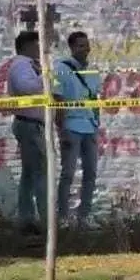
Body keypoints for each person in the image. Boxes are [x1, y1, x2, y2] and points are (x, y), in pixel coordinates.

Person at [52, 31, 101, 229]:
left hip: (89, 127)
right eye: (81, 45)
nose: (85, 49)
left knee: (90, 173)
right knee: (68, 174)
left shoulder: (92, 71)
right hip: (71, 126)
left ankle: (84, 216)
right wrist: (61, 129)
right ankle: (63, 217)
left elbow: (94, 98)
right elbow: (58, 100)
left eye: (87, 45)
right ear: (72, 48)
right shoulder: (61, 69)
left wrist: (97, 121)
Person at [7, 31, 47, 236]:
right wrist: (44, 79)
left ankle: (26, 218)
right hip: (30, 124)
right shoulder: (23, 64)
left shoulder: (27, 65)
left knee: (30, 175)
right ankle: (45, 219)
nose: (40, 49)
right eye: (36, 45)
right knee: (40, 173)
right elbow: (26, 87)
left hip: (30, 123)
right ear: (27, 46)